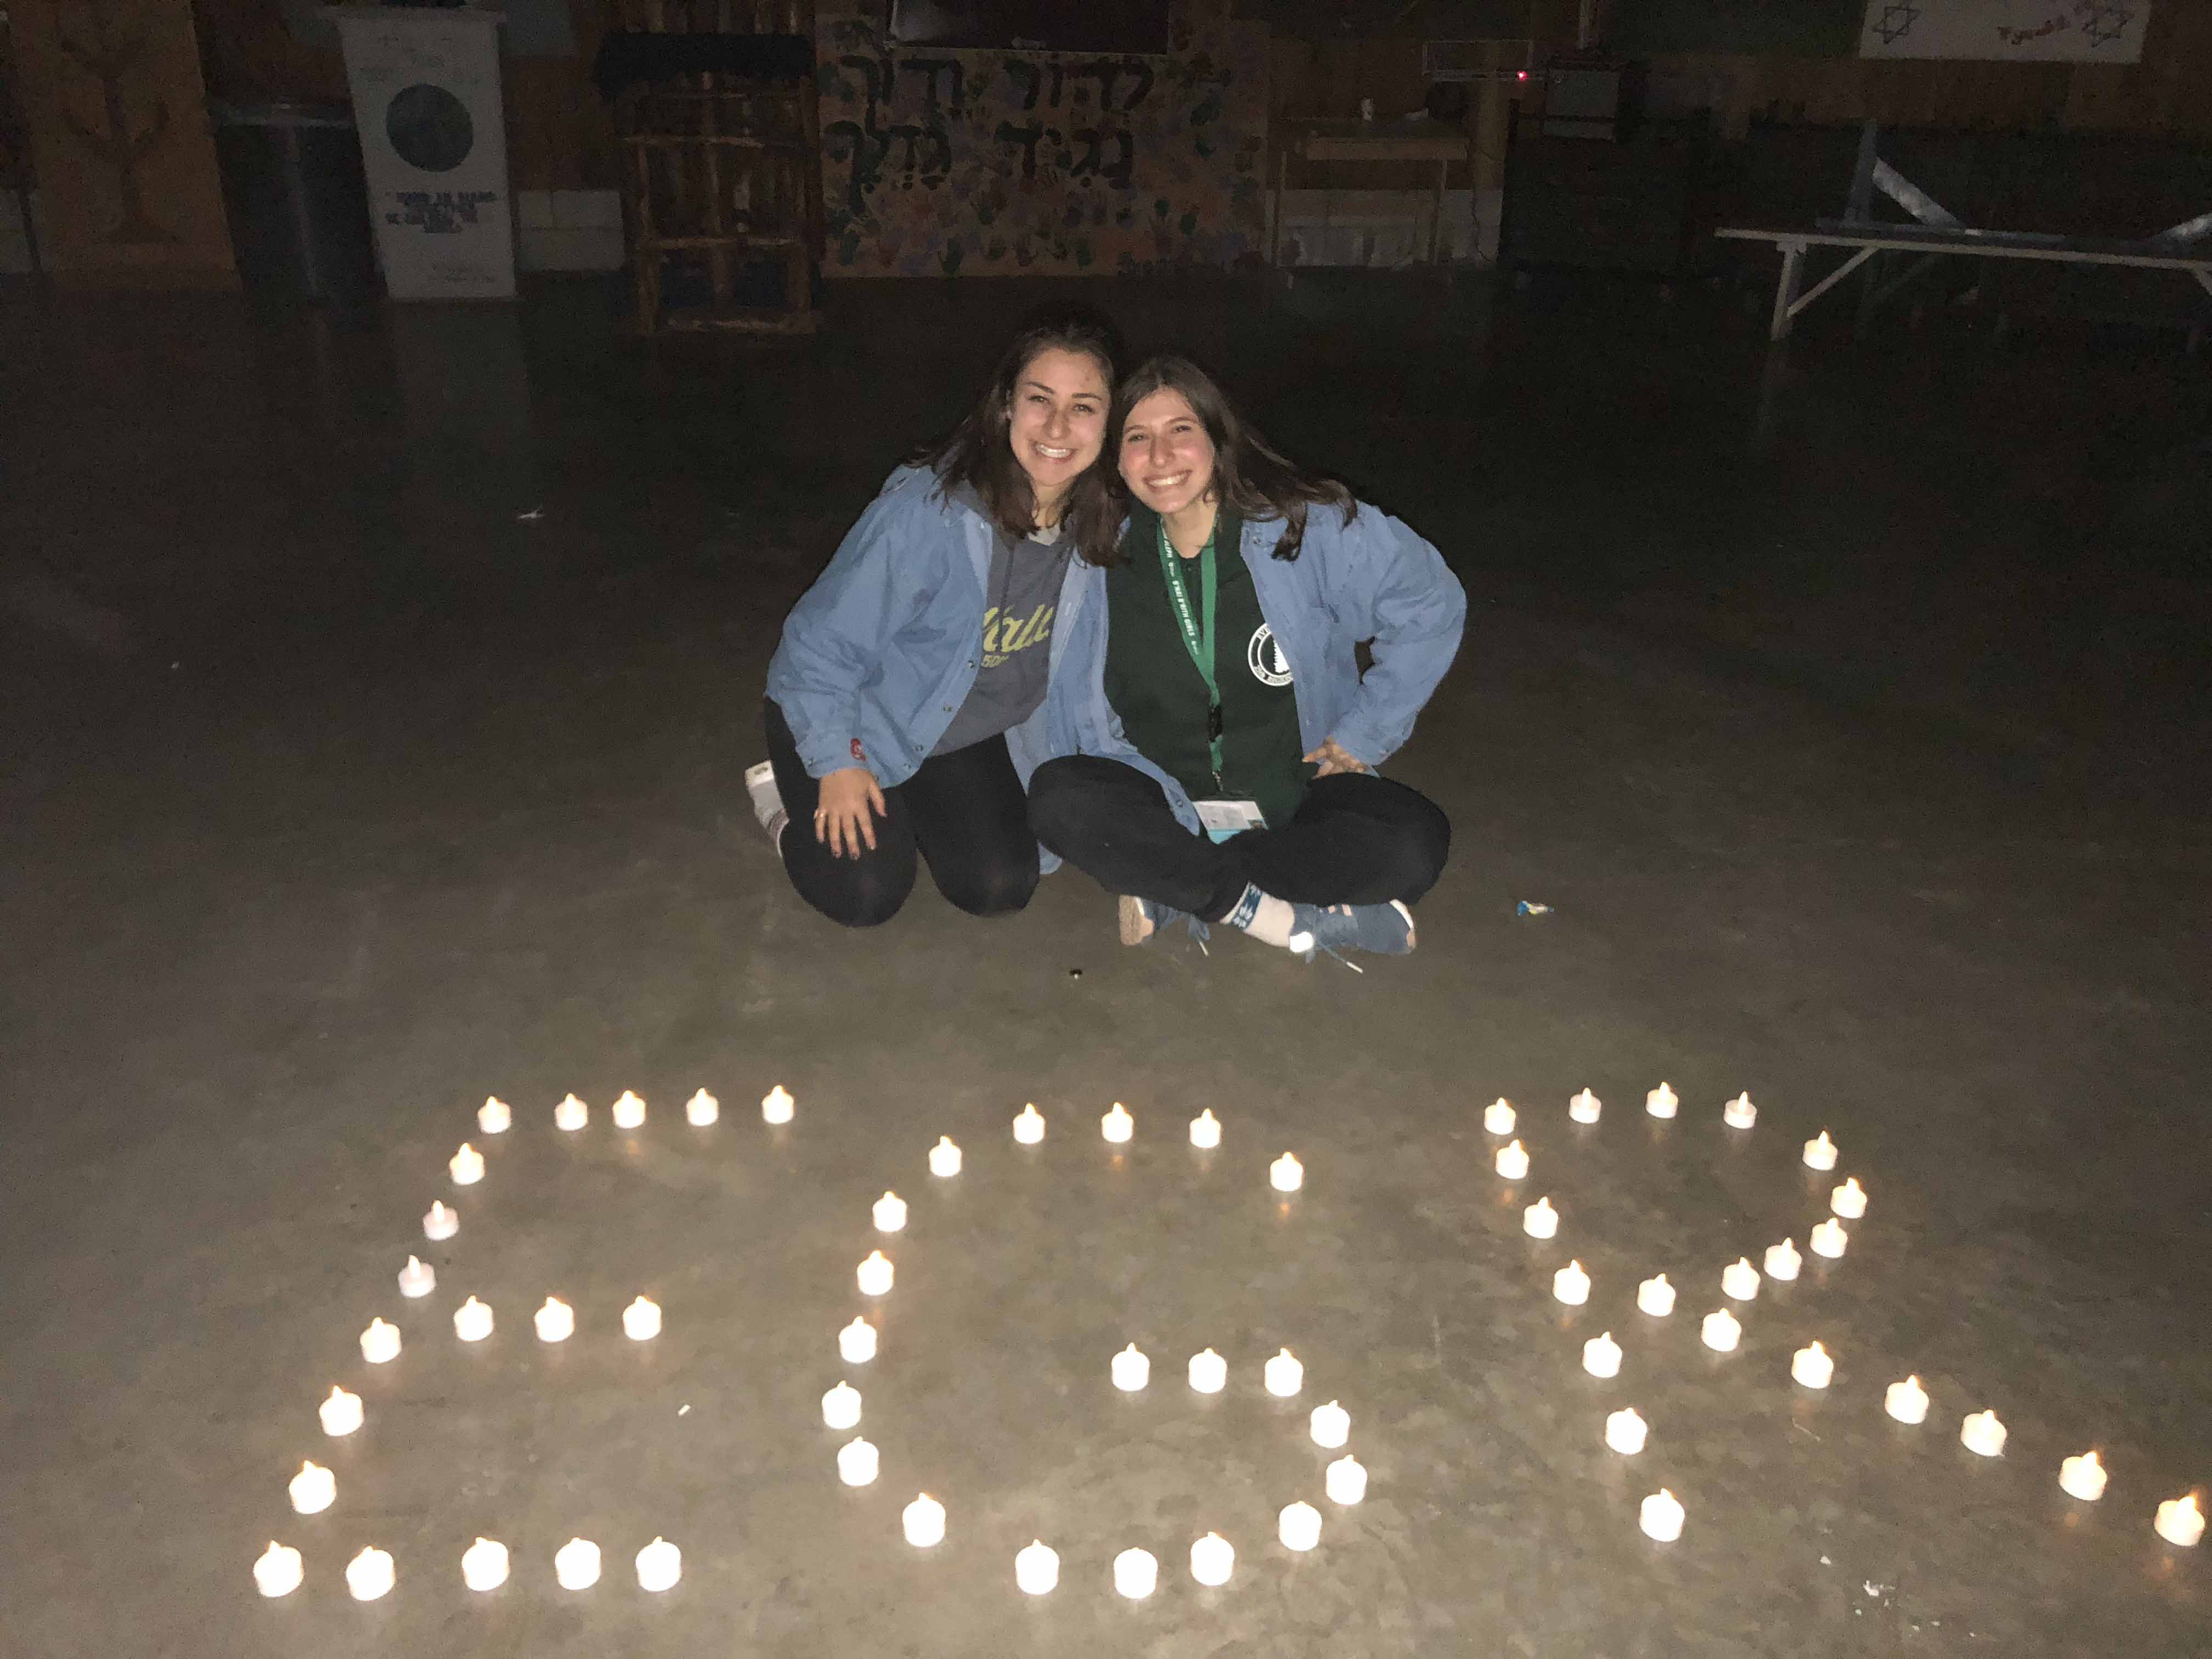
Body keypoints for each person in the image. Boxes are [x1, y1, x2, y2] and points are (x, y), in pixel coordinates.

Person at [1027, 354, 1464, 964]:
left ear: (1217, 439)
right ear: (1116, 463)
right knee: (1058, 797)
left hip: (1300, 790)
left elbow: (1430, 603)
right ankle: (1266, 911)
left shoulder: (1301, 528)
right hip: (1164, 800)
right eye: (1137, 438)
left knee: (1415, 844)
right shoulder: (1097, 559)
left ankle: (1175, 889)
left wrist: (1366, 733)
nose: (1160, 457)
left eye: (1181, 430)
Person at [748, 308, 1124, 927]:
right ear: (1006, 406)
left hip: (957, 732)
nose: (1058, 425)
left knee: (1001, 885)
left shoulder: (1102, 530)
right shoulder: (931, 514)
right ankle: (781, 801)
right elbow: (816, 649)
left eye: (1084, 406)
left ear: (1109, 424)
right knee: (865, 893)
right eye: (1039, 400)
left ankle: (907, 803)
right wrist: (837, 760)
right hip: (854, 711)